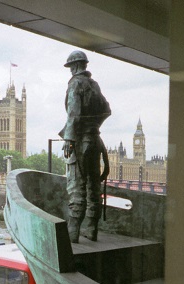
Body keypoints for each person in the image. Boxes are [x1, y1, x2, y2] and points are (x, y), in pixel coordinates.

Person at [59, 50, 111, 243]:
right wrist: (94, 126)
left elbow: (73, 113)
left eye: (70, 67)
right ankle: (92, 230)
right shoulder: (94, 85)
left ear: (73, 66)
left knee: (76, 186)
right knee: (93, 186)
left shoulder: (75, 84)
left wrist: (69, 139)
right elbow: (107, 110)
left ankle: (73, 234)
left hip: (79, 140)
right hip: (94, 140)